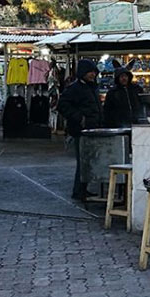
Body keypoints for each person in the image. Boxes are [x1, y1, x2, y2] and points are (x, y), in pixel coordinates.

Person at [57, 59, 103, 200]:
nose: (92, 75)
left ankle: (83, 188)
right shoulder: (74, 88)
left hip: (93, 129)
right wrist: (79, 118)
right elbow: (62, 105)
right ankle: (78, 191)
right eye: (90, 72)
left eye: (94, 72)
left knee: (89, 160)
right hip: (81, 131)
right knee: (83, 161)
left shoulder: (92, 87)